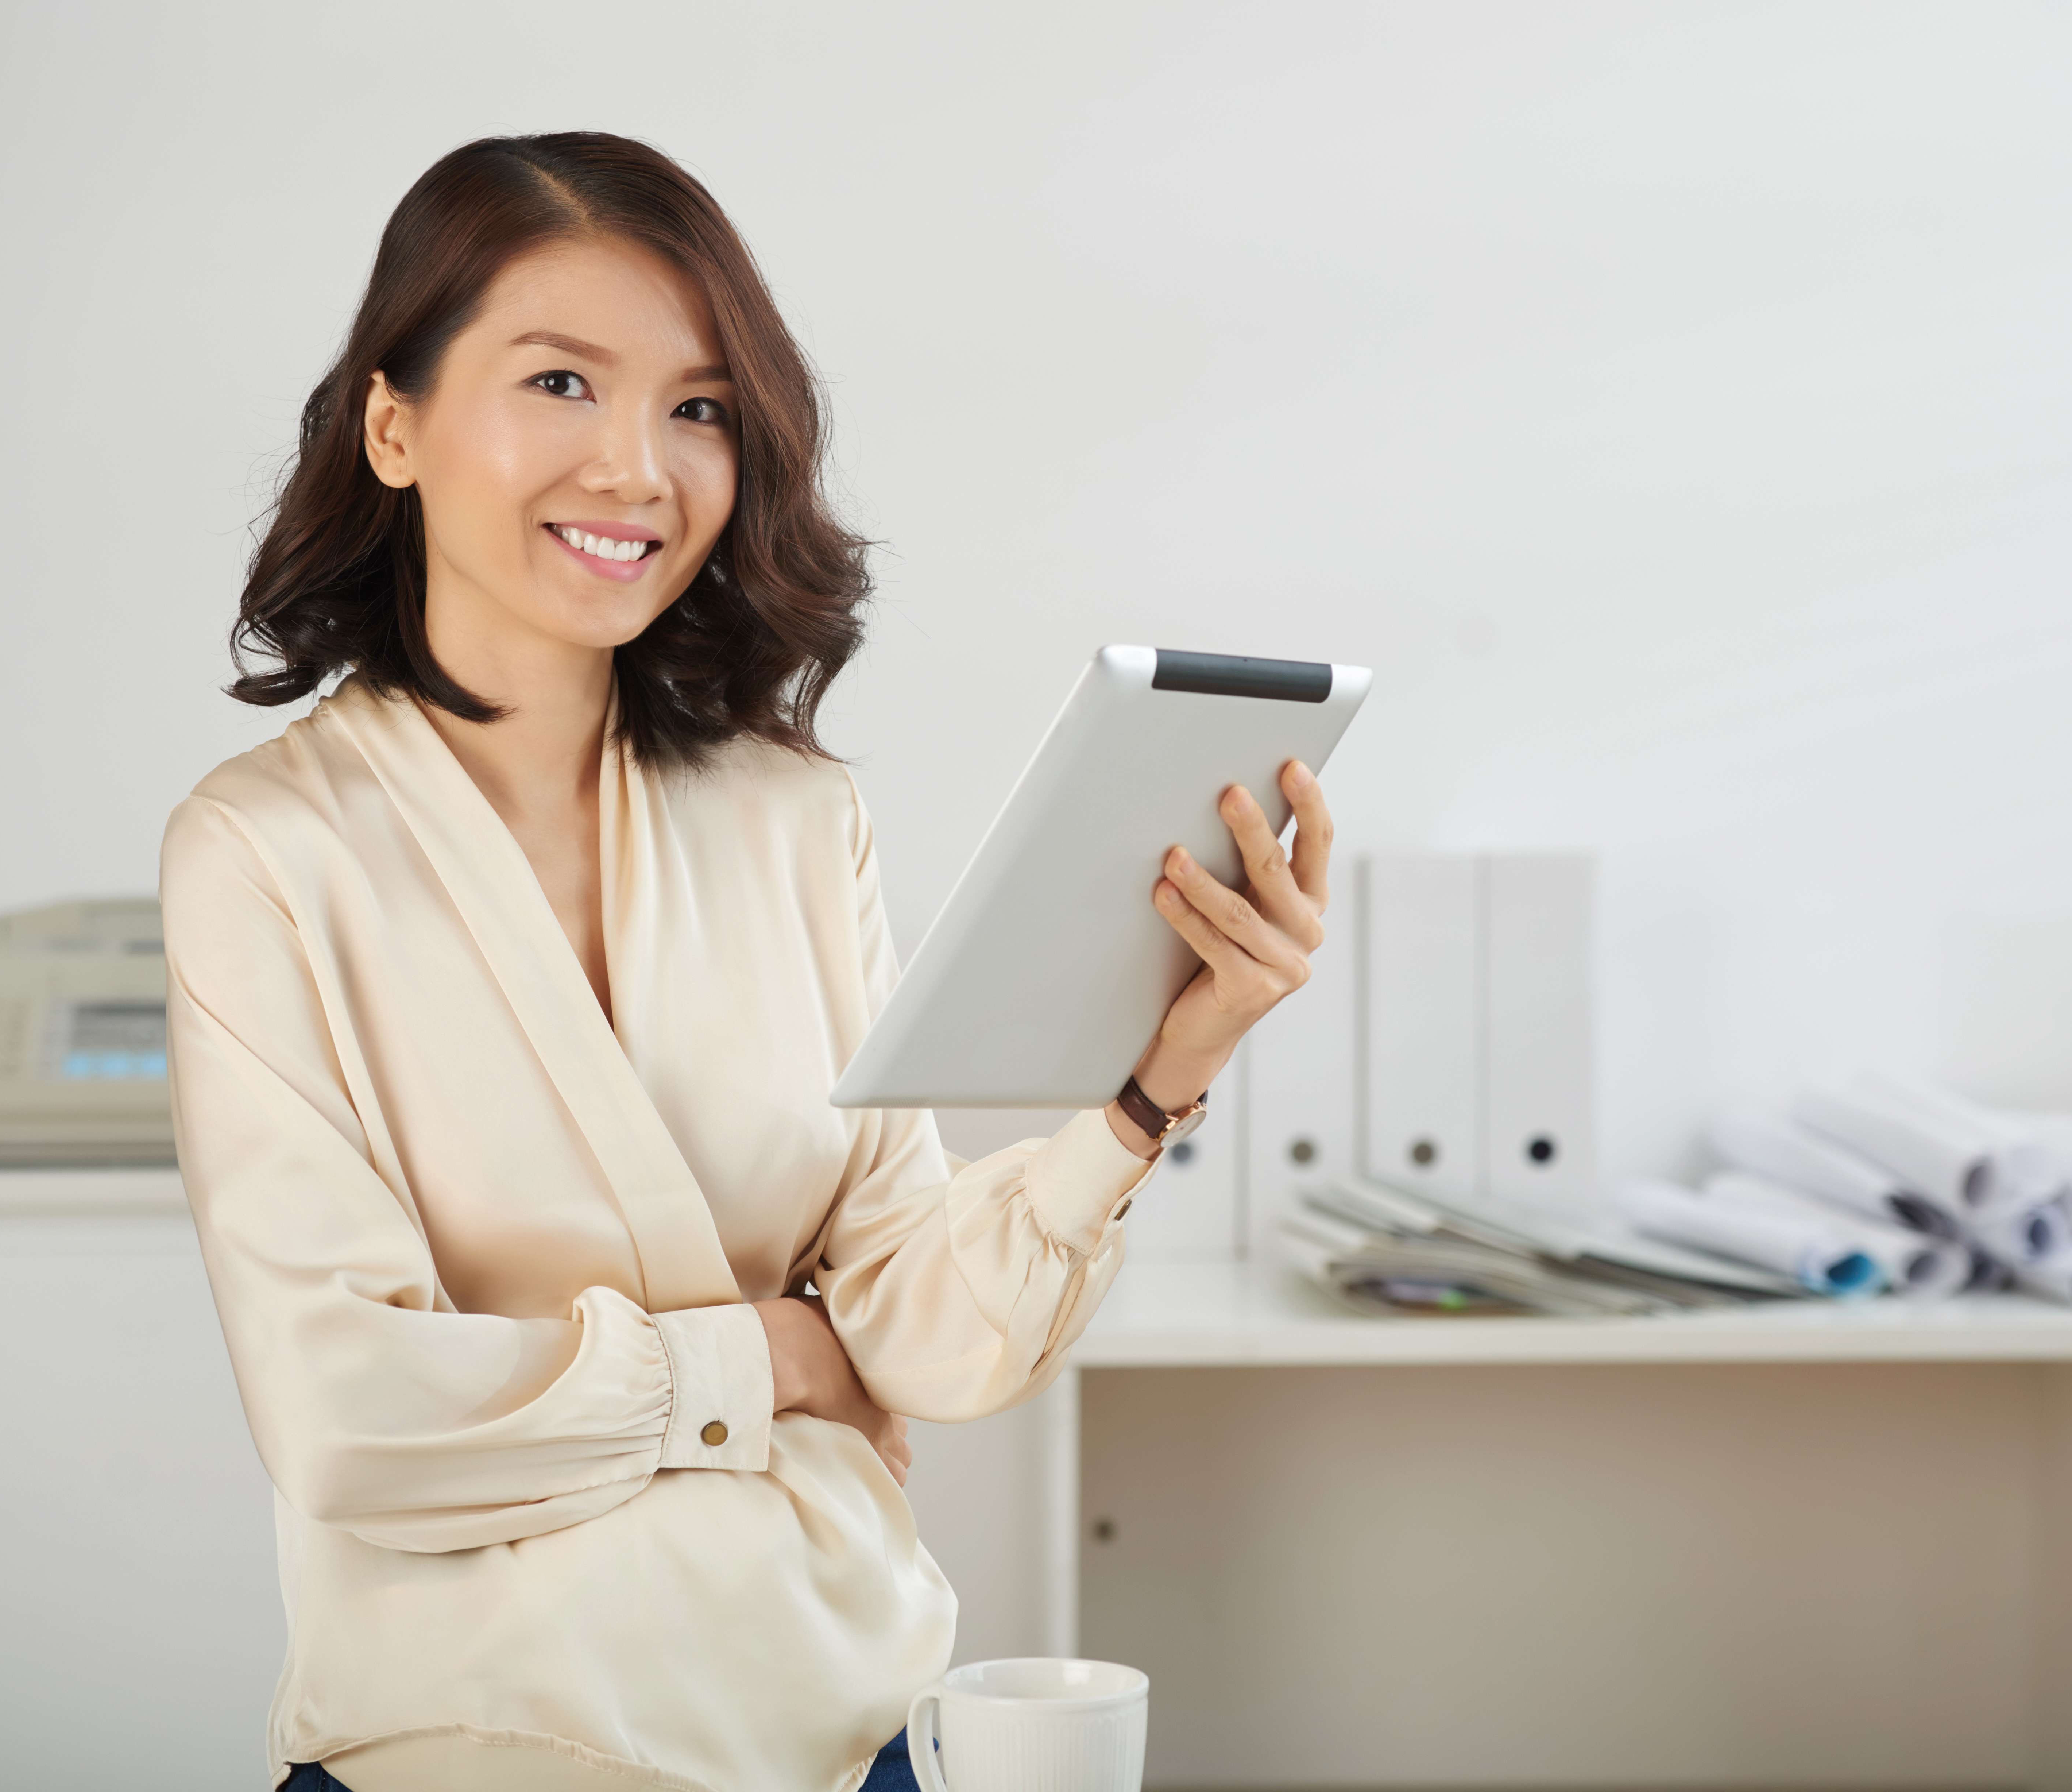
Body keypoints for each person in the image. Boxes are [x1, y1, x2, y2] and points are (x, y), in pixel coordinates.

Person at [160, 132, 1336, 1792]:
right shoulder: (268, 850)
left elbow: (925, 1339)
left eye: (698, 408)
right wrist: (767, 1357)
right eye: (561, 380)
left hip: (852, 1737)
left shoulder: (795, 817)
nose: (638, 465)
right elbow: (355, 1422)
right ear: (393, 420)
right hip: (466, 1754)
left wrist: (1157, 1081)